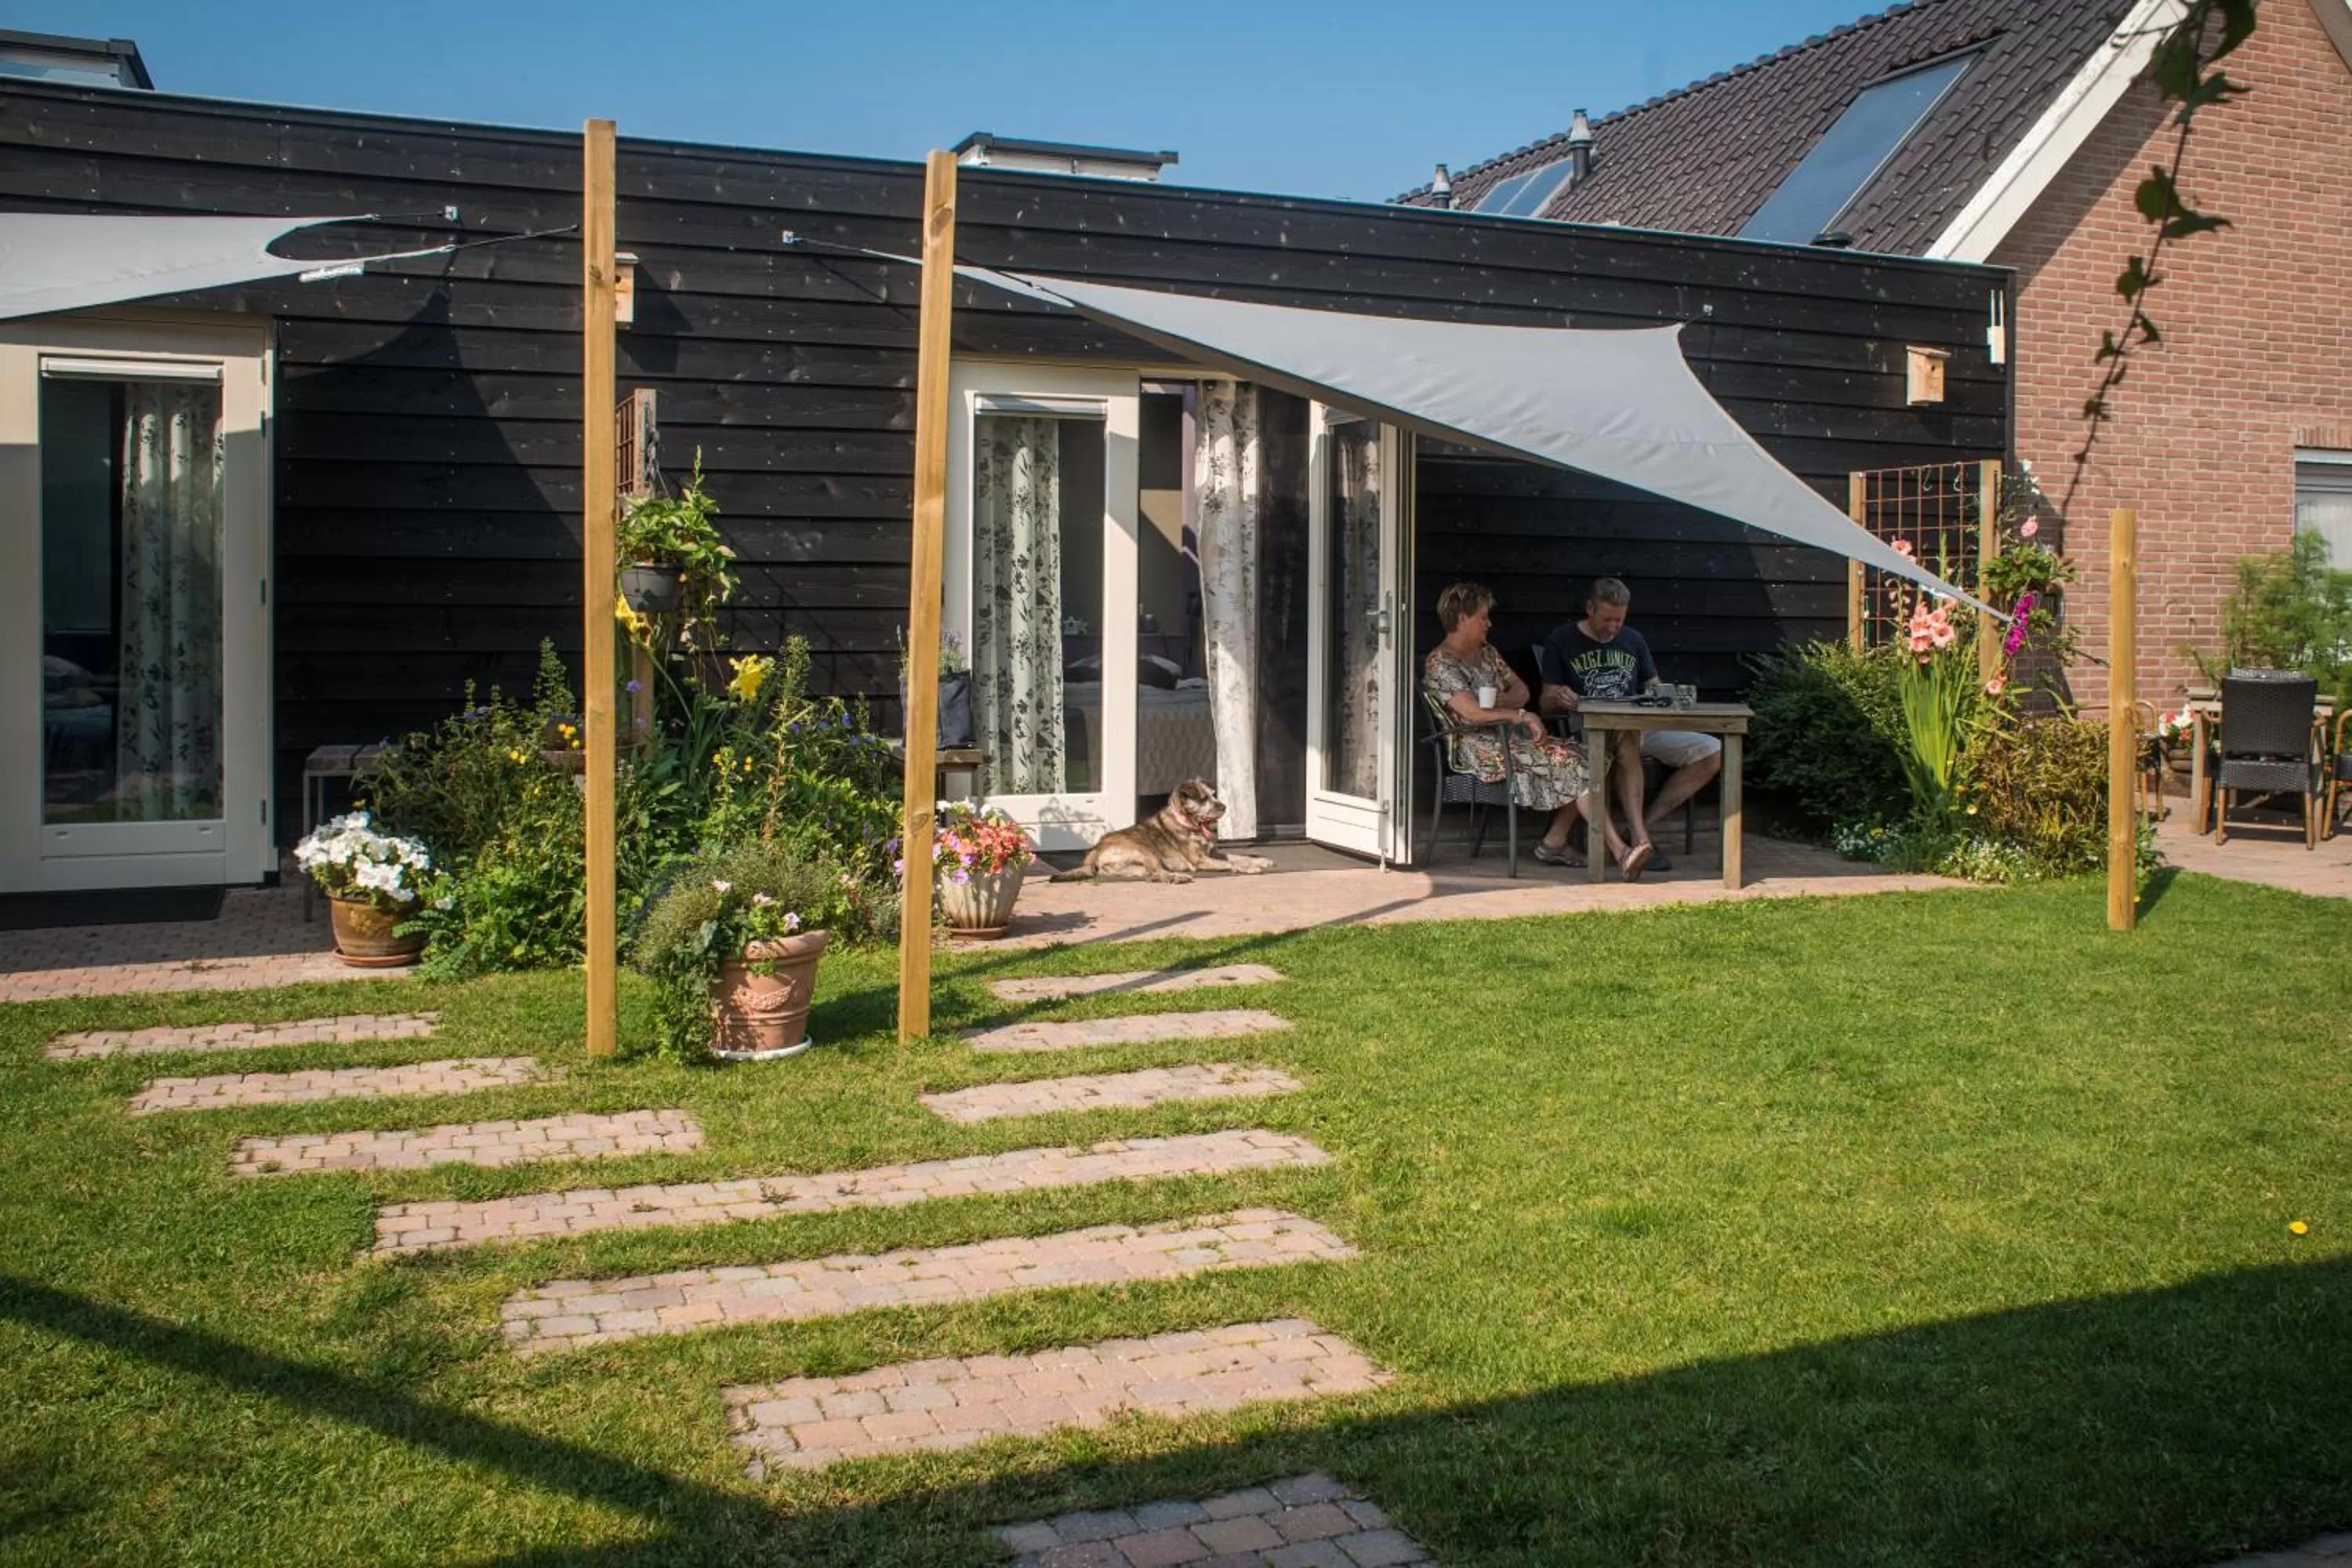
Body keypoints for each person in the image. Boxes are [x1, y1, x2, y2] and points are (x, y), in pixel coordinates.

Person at [1424, 582, 1648, 877]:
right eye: (1483, 616)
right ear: (1462, 618)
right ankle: (1621, 852)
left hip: (1514, 741)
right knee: (1572, 762)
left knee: (1591, 754)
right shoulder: (1440, 663)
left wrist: (1502, 703)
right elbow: (1474, 714)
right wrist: (1520, 716)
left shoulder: (1487, 653)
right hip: (1481, 750)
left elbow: (1523, 691)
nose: (1489, 623)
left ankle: (1554, 841)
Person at [1539, 577, 1722, 868]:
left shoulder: (1633, 639)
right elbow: (1545, 701)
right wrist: (1559, 697)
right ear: (1590, 608)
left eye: (1619, 620)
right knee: (1626, 739)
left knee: (1713, 751)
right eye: (1607, 619)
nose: (1613, 627)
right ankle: (1640, 841)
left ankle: (1640, 830)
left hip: (1640, 725)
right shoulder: (1562, 639)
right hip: (1591, 732)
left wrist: (1661, 696)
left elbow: (1654, 685)